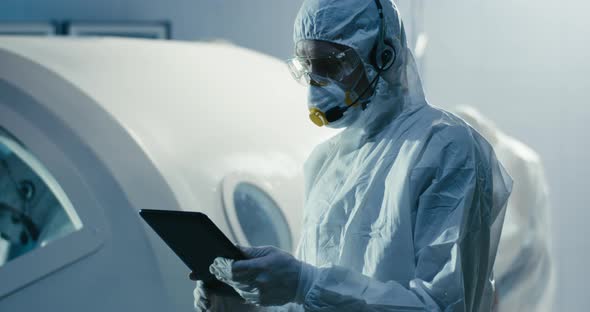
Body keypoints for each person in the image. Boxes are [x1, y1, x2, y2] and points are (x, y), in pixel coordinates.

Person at [192, 0, 513, 311]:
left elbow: (443, 306)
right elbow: (314, 300)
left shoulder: (445, 148)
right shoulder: (326, 161)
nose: (317, 83)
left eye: (330, 65)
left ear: (384, 56)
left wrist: (303, 283)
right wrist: (247, 301)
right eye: (308, 67)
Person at [452, 107, 555, 312]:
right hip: (509, 286)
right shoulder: (492, 159)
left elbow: (511, 235)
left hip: (516, 291)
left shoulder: (515, 160)